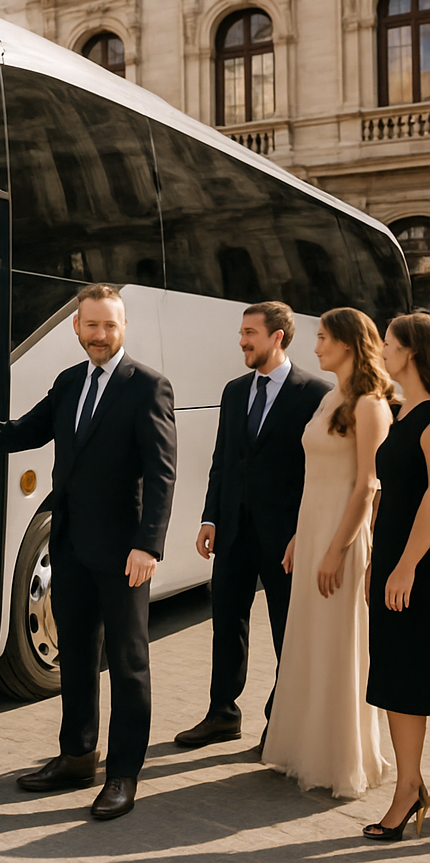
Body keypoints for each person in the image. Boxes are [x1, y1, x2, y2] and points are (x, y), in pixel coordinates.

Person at [0, 283, 176, 821]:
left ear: (123, 327)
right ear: (76, 328)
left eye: (109, 325)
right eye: (90, 325)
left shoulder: (148, 386)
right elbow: (24, 432)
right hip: (71, 547)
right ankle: (77, 756)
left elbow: (162, 473)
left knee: (128, 664)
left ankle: (123, 774)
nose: (99, 335)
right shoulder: (69, 382)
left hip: (125, 554)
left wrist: (149, 545)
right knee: (75, 656)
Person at [175, 302, 331, 749]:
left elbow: (316, 473)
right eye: (242, 332)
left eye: (250, 332)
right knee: (226, 623)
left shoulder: (314, 394)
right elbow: (222, 460)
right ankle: (222, 714)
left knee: (287, 631)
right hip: (233, 531)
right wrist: (210, 517)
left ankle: (278, 723)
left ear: (277, 336)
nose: (242, 340)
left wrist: (306, 532)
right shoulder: (234, 390)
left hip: (285, 538)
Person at [261, 308, 391, 797]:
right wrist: (300, 535)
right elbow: (315, 477)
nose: (314, 347)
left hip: (343, 538)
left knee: (339, 646)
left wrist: (338, 551)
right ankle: (305, 747)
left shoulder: (370, 405)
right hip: (313, 532)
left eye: (323, 338)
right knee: (310, 641)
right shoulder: (331, 397)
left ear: (349, 343)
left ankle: (341, 759)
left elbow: (366, 487)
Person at [362, 312, 430, 841]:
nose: (381, 349)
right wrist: (374, 560)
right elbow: (389, 490)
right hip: (392, 564)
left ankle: (410, 791)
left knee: (414, 678)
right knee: (397, 681)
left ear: (412, 351)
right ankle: (410, 785)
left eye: (388, 342)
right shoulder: (402, 411)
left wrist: (406, 564)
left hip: (420, 569)